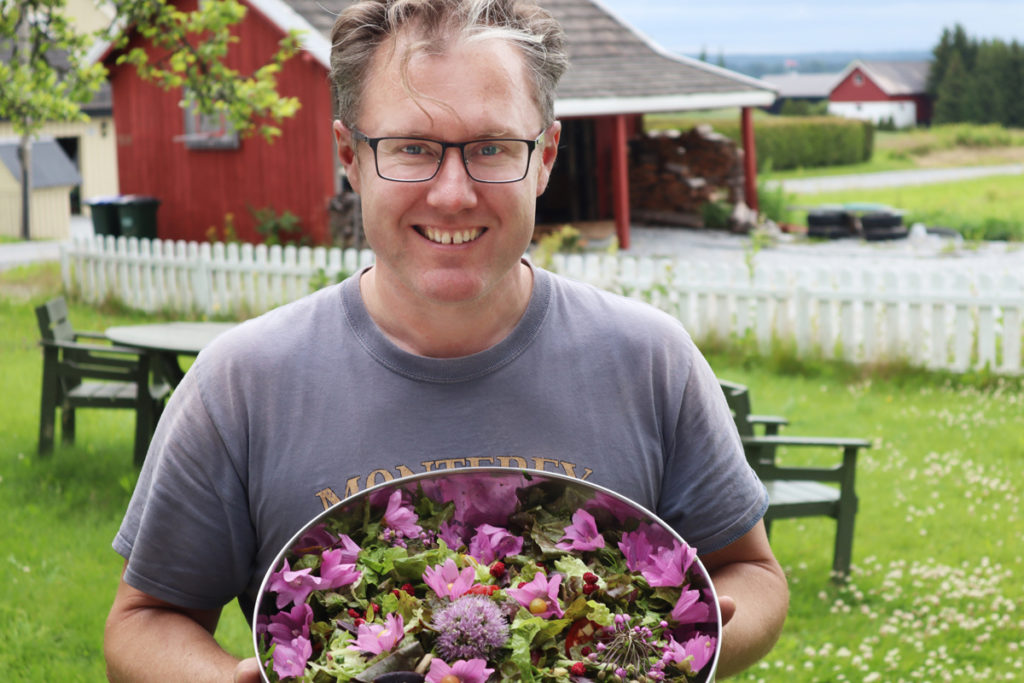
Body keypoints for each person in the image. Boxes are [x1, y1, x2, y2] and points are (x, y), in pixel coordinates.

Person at [103, 0, 788, 680]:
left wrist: (691, 648)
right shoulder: (243, 382)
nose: (453, 193)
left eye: (492, 147)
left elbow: (750, 569)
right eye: (413, 149)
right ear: (351, 155)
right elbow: (144, 620)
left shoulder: (649, 359)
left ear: (544, 157)